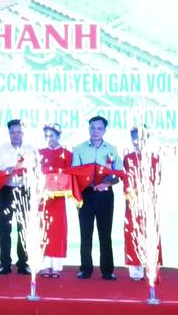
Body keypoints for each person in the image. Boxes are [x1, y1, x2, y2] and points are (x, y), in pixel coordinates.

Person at [71, 115, 123, 281]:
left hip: (105, 195)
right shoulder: (79, 149)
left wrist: (106, 184)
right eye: (92, 128)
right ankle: (85, 269)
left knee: (105, 233)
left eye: (99, 128)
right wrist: (85, 184)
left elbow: (119, 173)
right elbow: (74, 172)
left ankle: (107, 270)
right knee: (85, 233)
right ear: (89, 129)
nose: (95, 131)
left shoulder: (112, 149)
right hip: (85, 194)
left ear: (105, 130)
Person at [0, 119, 35, 275]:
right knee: (5, 228)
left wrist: (27, 170)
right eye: (13, 132)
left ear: (23, 133)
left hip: (24, 190)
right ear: (9, 133)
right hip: (6, 190)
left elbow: (35, 168)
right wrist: (9, 169)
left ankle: (23, 263)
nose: (16, 135)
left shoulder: (30, 149)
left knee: (23, 229)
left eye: (19, 132)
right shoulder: (2, 149)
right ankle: (5, 264)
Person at [123, 126, 162, 281]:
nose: (137, 141)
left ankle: (151, 267)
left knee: (150, 233)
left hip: (149, 202)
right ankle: (135, 270)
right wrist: (132, 194)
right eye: (134, 138)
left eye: (140, 138)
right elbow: (126, 179)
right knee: (132, 232)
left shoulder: (154, 158)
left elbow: (157, 180)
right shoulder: (127, 158)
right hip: (133, 202)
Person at [38, 123, 72, 278]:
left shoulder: (66, 154)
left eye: (52, 135)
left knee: (58, 230)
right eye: (46, 136)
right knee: (44, 229)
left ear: (59, 136)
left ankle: (56, 266)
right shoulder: (40, 153)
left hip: (58, 198)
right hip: (43, 198)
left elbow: (70, 174)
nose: (49, 138)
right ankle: (44, 265)